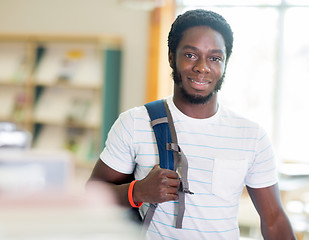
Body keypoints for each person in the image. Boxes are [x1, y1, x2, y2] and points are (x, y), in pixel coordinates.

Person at [88, 9, 296, 240]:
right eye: (190, 55)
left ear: (225, 62)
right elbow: (92, 195)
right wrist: (137, 191)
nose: (202, 67)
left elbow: (274, 219)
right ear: (171, 56)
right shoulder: (134, 122)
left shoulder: (251, 135)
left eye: (215, 58)